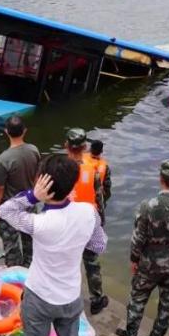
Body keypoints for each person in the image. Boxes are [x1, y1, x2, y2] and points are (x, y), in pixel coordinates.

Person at [0, 155, 107, 336]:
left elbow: (6, 211)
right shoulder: (88, 213)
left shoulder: (39, 223)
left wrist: (32, 196)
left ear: (42, 182)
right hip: (69, 297)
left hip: (39, 296)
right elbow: (99, 245)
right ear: (73, 184)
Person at [116, 160, 169, 336]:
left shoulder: (148, 206)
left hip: (149, 263)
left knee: (138, 298)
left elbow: (138, 237)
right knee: (166, 303)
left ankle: (131, 334)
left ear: (161, 178)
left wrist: (134, 259)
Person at [64, 128, 108, 315]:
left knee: (65, 261)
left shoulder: (58, 168)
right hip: (87, 222)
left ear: (66, 145)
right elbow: (100, 200)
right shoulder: (93, 171)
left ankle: (64, 295)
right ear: (84, 147)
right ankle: (96, 299)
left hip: (64, 222)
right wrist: (102, 221)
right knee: (91, 262)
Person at [0, 115, 40, 268]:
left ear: (6, 131)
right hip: (29, 202)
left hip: (10, 207)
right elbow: (37, 176)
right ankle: (29, 268)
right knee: (30, 240)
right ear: (24, 131)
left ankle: (14, 273)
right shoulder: (34, 150)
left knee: (11, 245)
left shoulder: (3, 159)